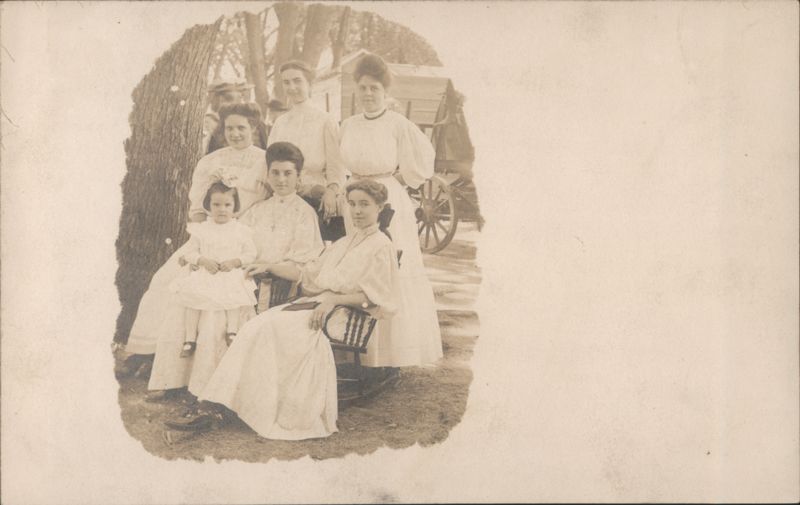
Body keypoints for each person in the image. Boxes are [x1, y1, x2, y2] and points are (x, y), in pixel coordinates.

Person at [165, 180, 398, 440]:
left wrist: (332, 300)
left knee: (271, 329)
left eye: (364, 204)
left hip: (346, 315)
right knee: (255, 326)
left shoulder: (381, 246)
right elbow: (307, 274)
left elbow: (377, 297)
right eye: (352, 204)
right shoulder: (344, 243)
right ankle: (219, 405)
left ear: (380, 207)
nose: (356, 211)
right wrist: (268, 266)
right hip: (317, 306)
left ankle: (233, 406)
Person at [144, 141, 323, 398]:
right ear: (267, 174)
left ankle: (207, 388)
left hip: (272, 286)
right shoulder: (256, 211)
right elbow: (232, 241)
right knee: (186, 301)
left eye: (288, 173)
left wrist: (268, 267)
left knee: (218, 309)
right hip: (237, 275)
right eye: (275, 173)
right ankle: (175, 380)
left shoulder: (304, 214)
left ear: (298, 176)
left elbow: (302, 269)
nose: (281, 180)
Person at [121, 103, 270, 381]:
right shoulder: (211, 161)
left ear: (253, 128)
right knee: (167, 278)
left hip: (245, 236)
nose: (236, 133)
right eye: (230, 128)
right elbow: (198, 209)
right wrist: (205, 243)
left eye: (242, 127)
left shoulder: (264, 160)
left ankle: (166, 359)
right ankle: (146, 351)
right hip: (211, 234)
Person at [339, 53, 443, 367]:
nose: (368, 94)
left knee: (391, 265)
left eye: (374, 88)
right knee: (361, 267)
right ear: (356, 90)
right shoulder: (348, 125)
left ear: (385, 92)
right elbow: (341, 162)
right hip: (355, 200)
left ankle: (394, 352)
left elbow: (423, 158)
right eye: (363, 88)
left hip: (387, 201)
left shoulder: (397, 123)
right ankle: (361, 348)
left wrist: (398, 179)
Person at [168, 182, 257, 357]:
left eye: (227, 205)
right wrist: (202, 260)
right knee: (192, 299)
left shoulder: (240, 230)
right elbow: (189, 252)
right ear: (209, 205)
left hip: (229, 273)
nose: (222, 209)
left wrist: (235, 261)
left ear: (235, 207)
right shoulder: (202, 230)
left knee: (234, 297)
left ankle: (232, 331)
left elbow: (251, 254)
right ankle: (190, 338)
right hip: (206, 273)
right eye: (216, 204)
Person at [268, 60, 347, 242]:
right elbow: (270, 164)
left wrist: (331, 191)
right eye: (286, 82)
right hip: (282, 196)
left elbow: (337, 168)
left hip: (315, 199)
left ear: (309, 83)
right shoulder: (281, 123)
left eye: (297, 81)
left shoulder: (325, 121)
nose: (292, 87)